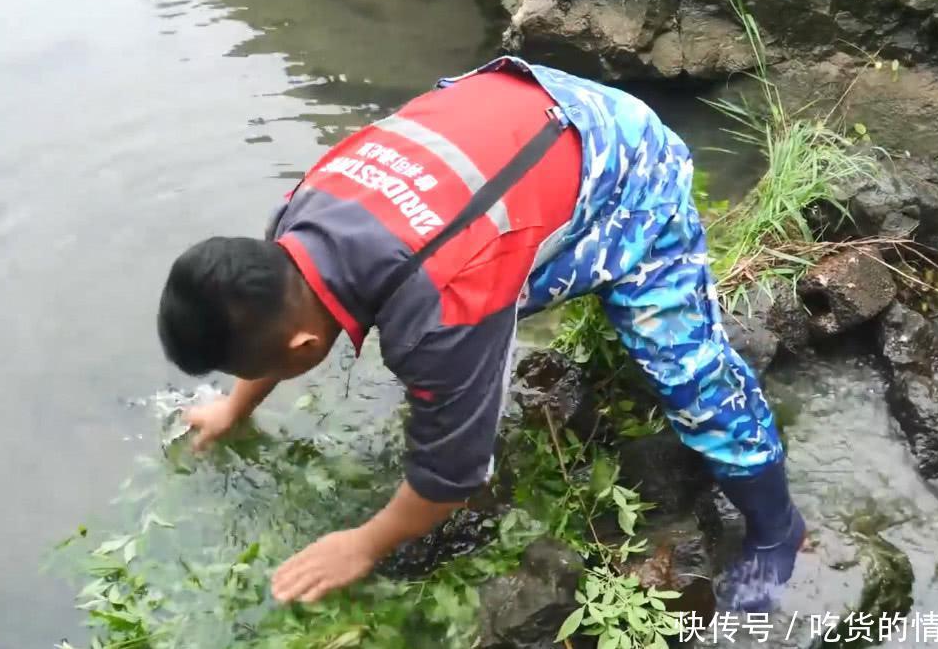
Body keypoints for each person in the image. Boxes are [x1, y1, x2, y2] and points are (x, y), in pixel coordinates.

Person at [156, 57, 806, 612]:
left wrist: (363, 541)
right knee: (485, 274)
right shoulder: (298, 216)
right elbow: (280, 318)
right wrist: (233, 407)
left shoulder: (439, 310)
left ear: (301, 351)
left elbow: (450, 480)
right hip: (523, 110)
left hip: (626, 158)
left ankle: (777, 526)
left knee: (687, 371)